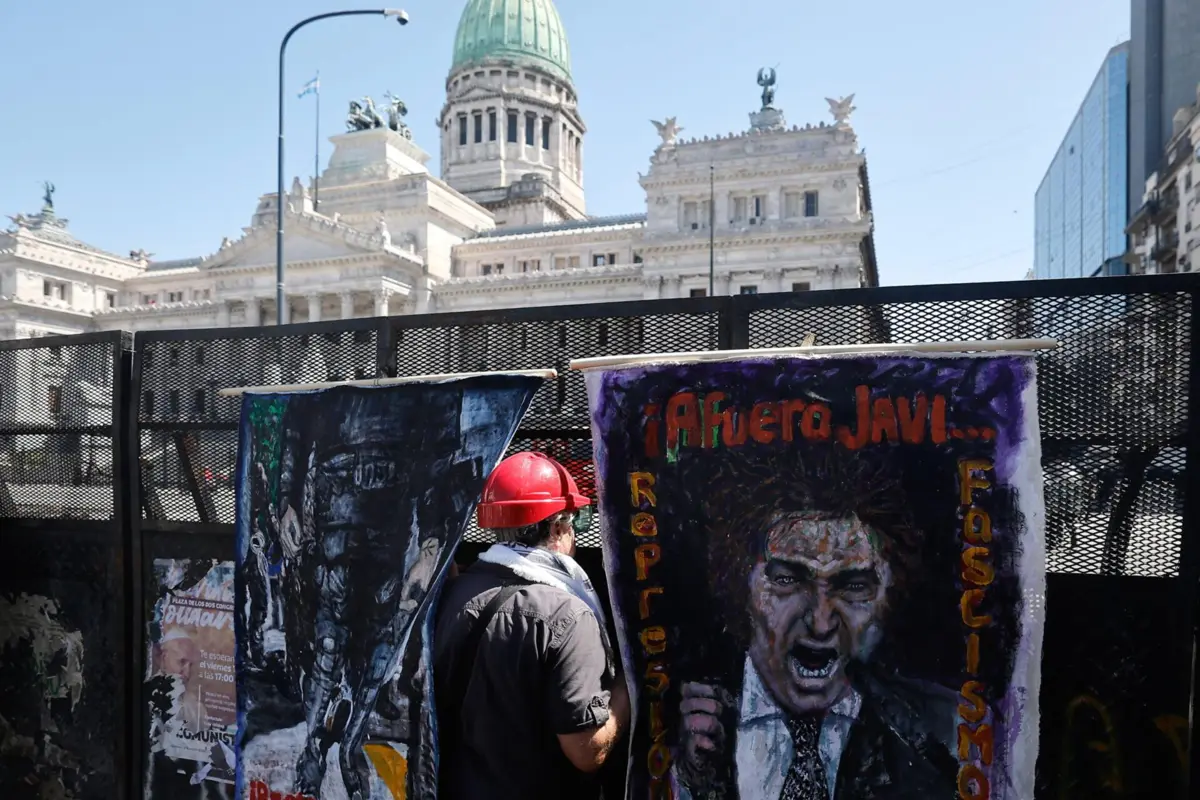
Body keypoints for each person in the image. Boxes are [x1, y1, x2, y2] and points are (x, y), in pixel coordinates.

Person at [673, 457, 969, 799]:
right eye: (788, 580)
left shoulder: (946, 732)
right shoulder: (679, 721)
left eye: (854, 586)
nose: (821, 621)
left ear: (887, 594)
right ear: (741, 584)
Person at [434, 451, 631, 800]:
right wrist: (627, 688)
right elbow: (587, 751)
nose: (575, 532)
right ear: (557, 528)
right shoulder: (568, 616)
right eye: (576, 520)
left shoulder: (452, 593)